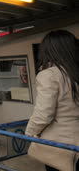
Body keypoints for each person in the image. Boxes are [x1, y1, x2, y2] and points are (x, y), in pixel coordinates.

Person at [26, 30, 79, 171]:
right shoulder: (74, 72)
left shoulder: (49, 75)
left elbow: (43, 114)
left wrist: (29, 133)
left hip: (61, 147)